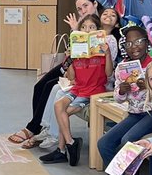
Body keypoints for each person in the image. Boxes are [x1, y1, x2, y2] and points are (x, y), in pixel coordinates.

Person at [8, 0, 99, 149]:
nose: (83, 11)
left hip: (85, 69)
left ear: (95, 4)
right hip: (71, 62)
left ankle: (35, 129)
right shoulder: (80, 23)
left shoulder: (98, 27)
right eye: (79, 8)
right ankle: (38, 126)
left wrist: (78, 30)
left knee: (51, 85)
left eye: (86, 6)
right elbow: (72, 49)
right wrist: (75, 31)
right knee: (40, 85)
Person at [95, 26, 152, 175]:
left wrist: (149, 86)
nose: (135, 46)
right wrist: (122, 91)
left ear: (147, 43)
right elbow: (118, 97)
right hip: (135, 113)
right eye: (129, 43)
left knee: (128, 140)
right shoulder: (122, 67)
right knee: (105, 142)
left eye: (139, 41)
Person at [41, 15, 112, 166]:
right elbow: (72, 77)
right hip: (78, 88)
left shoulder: (102, 50)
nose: (87, 30)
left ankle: (62, 150)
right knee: (58, 106)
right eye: (84, 27)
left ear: (97, 31)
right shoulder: (77, 50)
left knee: (63, 114)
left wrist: (108, 54)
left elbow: (109, 74)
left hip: (93, 92)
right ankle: (70, 143)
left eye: (92, 27)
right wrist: (70, 59)